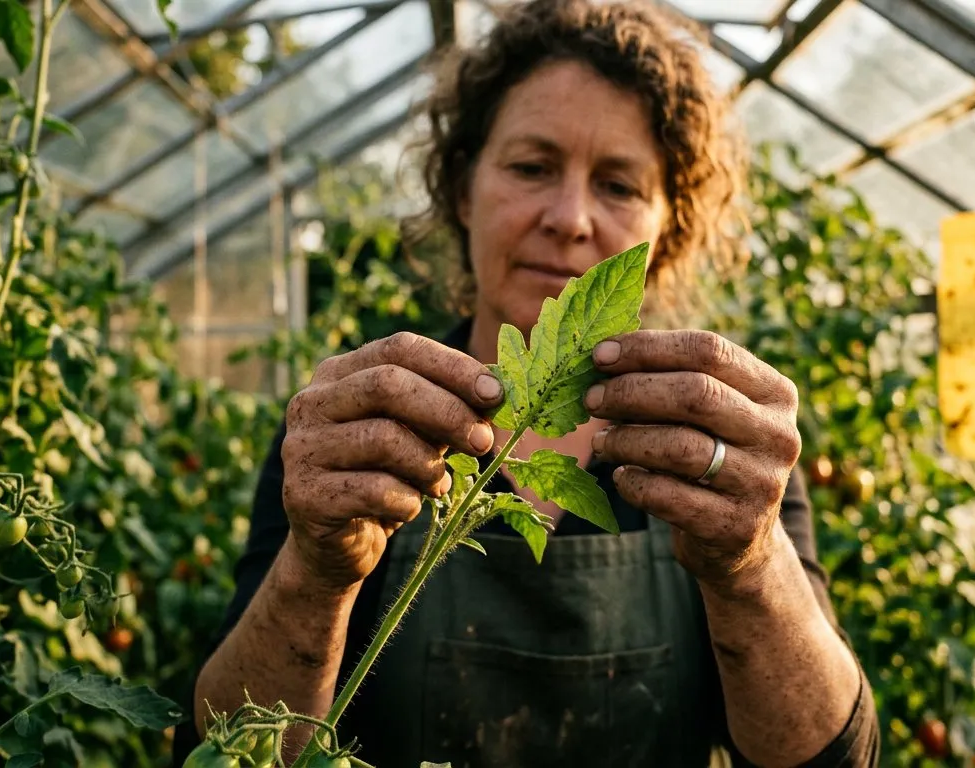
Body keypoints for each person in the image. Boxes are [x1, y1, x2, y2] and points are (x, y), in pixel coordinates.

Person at [174, 0, 880, 766]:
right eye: (532, 166)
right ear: (461, 190)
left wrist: (752, 566)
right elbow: (224, 753)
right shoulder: (365, 429)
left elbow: (834, 757)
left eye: (618, 185)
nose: (571, 217)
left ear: (667, 230)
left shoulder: (718, 450)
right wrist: (315, 570)